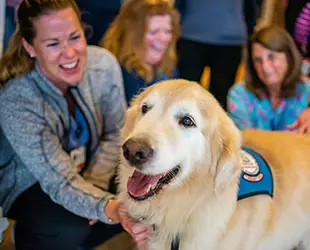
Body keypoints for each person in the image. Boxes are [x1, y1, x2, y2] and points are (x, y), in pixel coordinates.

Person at [0, 0, 148, 250]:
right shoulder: (17, 98)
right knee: (67, 228)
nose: (69, 53)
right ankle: (27, 239)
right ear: (30, 47)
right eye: (53, 44)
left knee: (146, 191)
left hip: (90, 166)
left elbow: (115, 132)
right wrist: (107, 207)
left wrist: (95, 188)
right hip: (33, 181)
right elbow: (58, 180)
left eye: (74, 37)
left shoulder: (103, 64)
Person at [174, 0, 256, 110]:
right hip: (193, 35)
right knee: (184, 96)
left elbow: (251, 8)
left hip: (228, 39)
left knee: (218, 100)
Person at [228, 26, 310, 133]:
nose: (265, 67)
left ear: (289, 56)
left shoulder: (306, 90)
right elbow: (245, 140)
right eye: (258, 60)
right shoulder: (239, 93)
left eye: (271, 57)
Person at [102, 0, 180, 105]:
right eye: (154, 32)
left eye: (168, 31)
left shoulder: (169, 68)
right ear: (132, 36)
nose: (163, 38)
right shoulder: (117, 75)